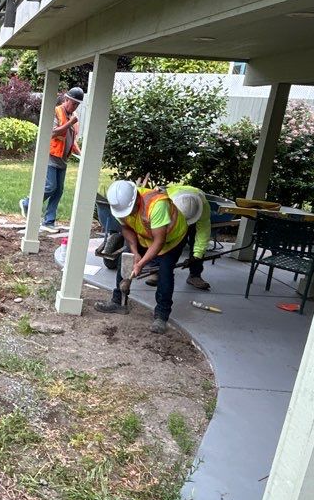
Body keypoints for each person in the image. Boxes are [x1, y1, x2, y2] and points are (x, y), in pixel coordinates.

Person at [94, 181, 208, 332]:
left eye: (129, 211)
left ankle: (161, 315)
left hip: (171, 240)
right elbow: (126, 228)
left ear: (136, 200)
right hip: (145, 235)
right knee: (125, 259)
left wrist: (141, 264)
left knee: (165, 271)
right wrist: (135, 253)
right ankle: (118, 302)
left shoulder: (156, 205)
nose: (127, 214)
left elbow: (159, 241)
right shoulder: (120, 205)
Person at [19, 87, 86, 228]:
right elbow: (53, 133)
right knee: (50, 187)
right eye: (73, 103)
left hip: (62, 159)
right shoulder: (56, 112)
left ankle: (49, 221)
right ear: (66, 99)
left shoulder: (73, 117)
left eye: (77, 104)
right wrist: (70, 123)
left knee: (58, 190)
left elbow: (72, 140)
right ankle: (27, 203)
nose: (74, 106)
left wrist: (82, 155)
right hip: (51, 155)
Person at [145, 182, 213, 292]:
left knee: (197, 241)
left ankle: (195, 275)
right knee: (166, 238)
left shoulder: (203, 205)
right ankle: (156, 270)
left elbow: (203, 233)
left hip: (190, 214)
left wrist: (197, 255)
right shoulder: (164, 200)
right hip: (174, 215)